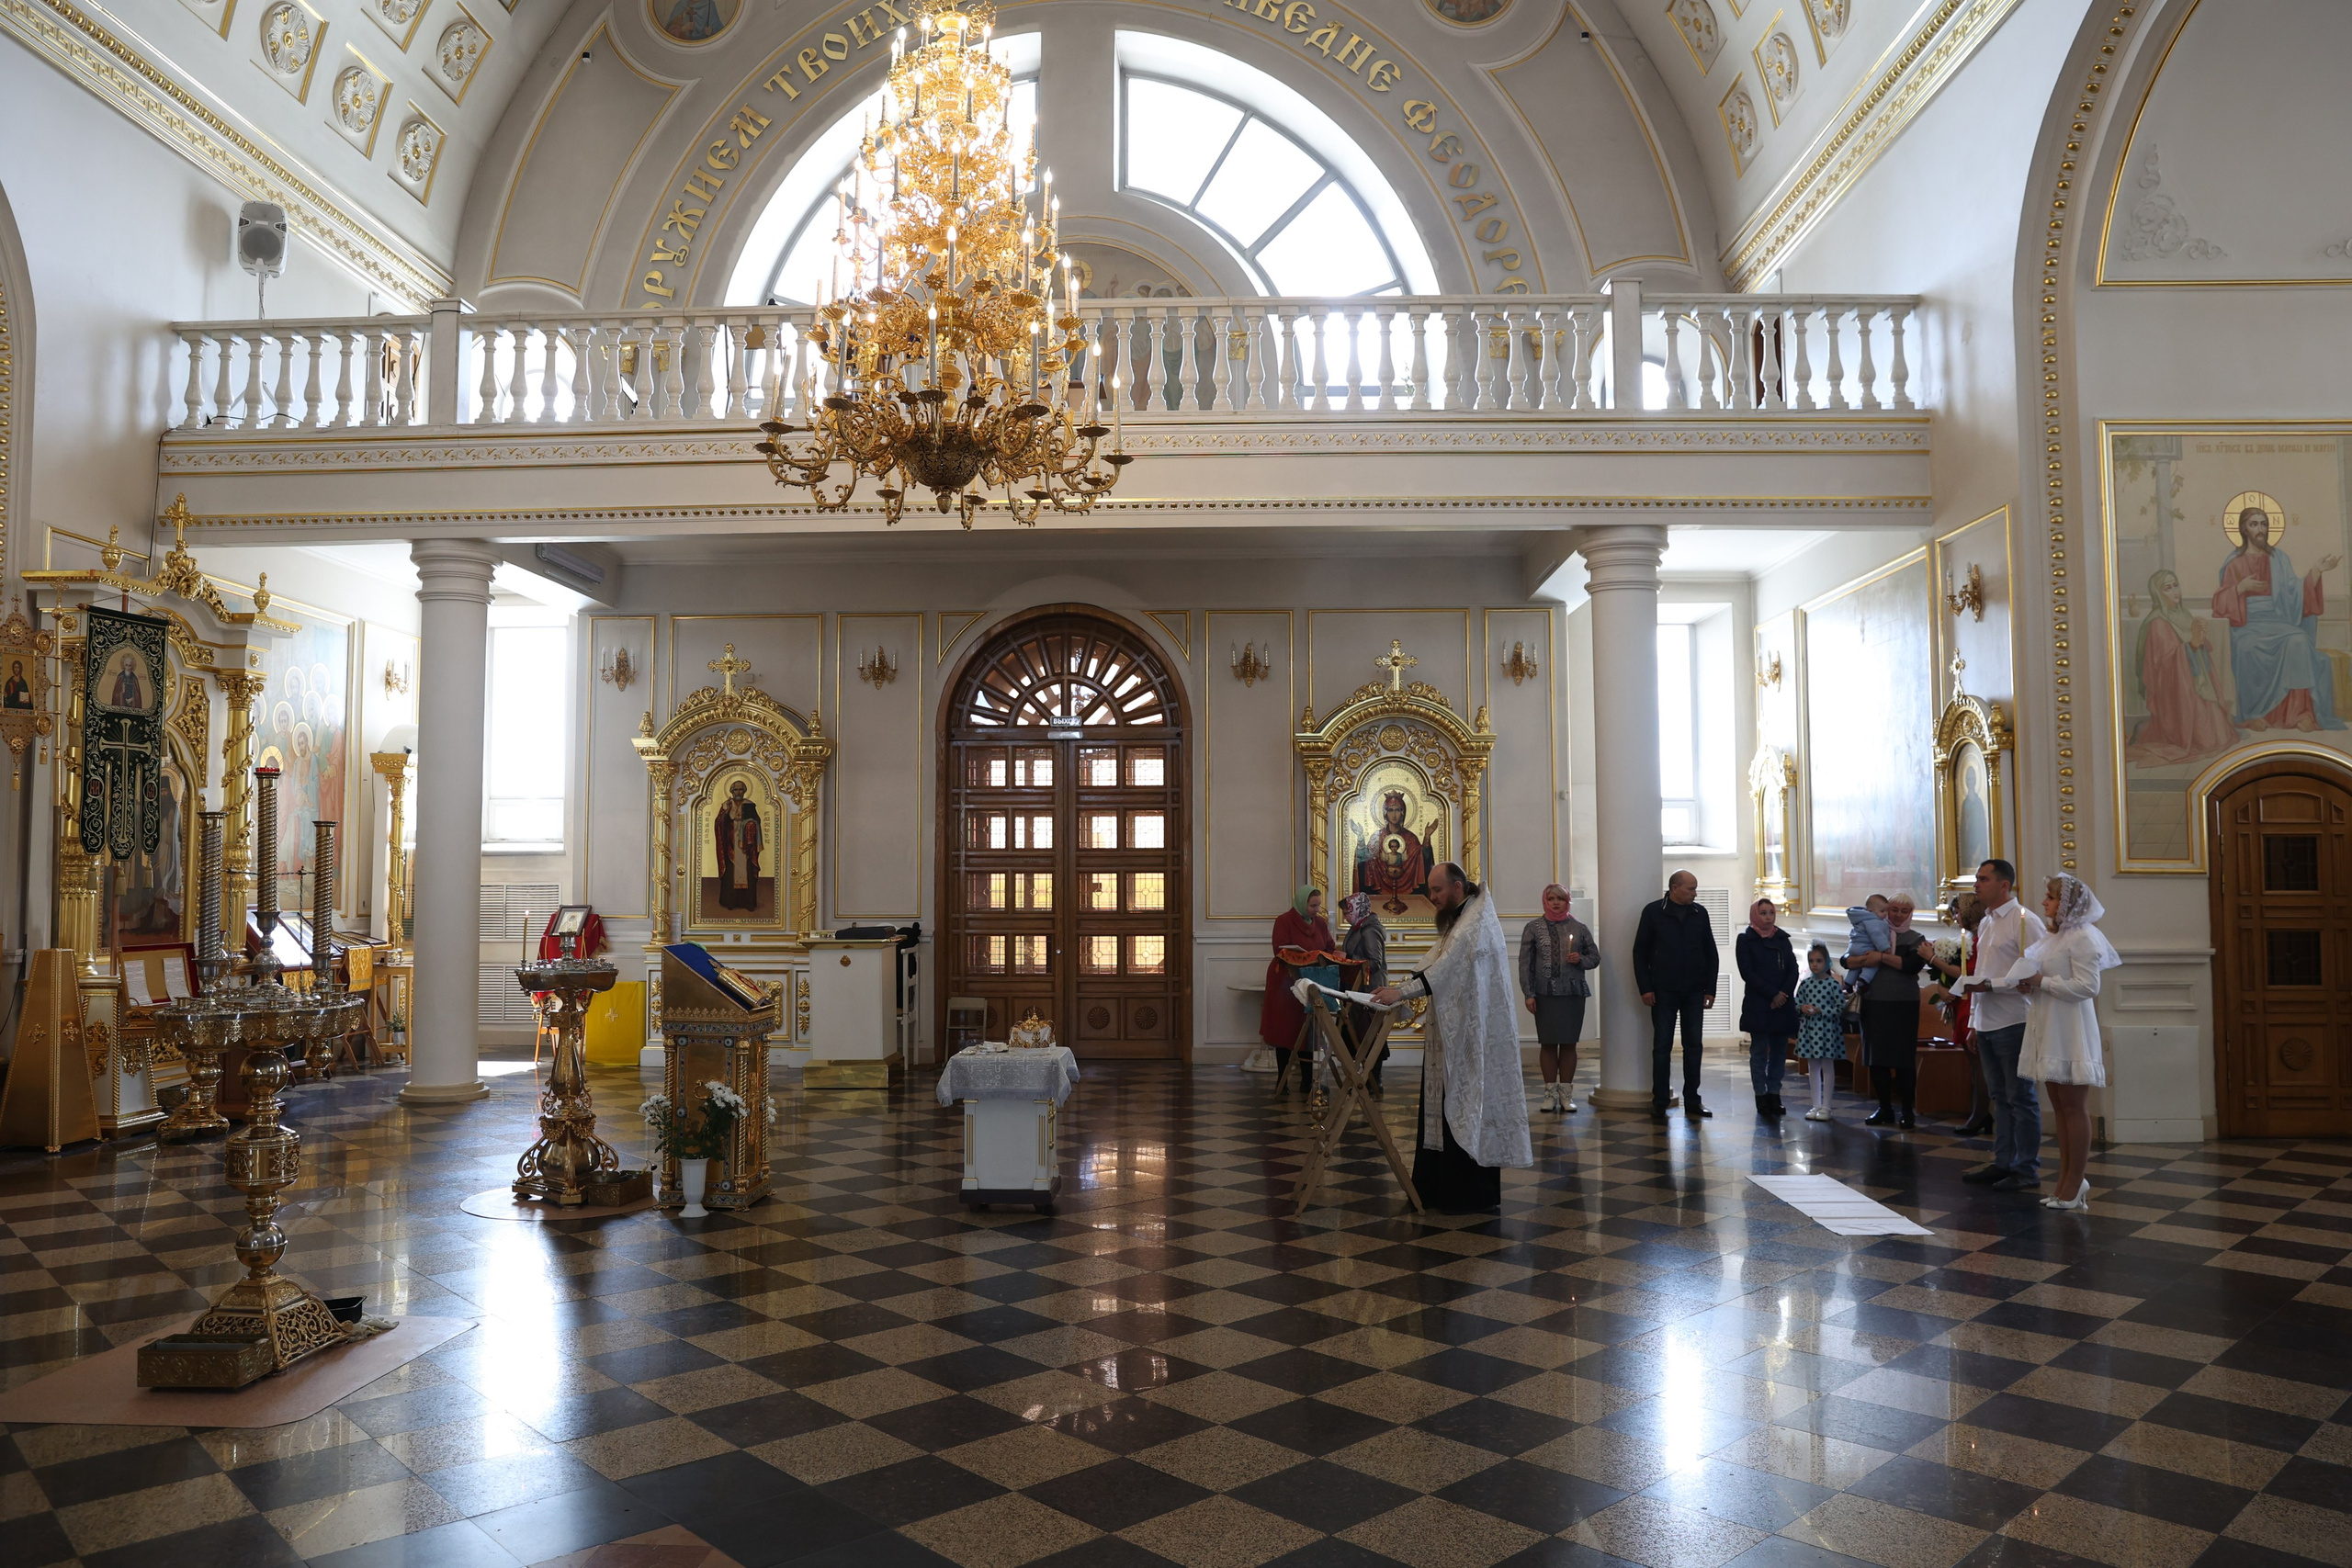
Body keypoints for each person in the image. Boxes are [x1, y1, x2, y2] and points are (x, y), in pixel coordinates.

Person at [1369, 863, 1531, 1211]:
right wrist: (1401, 986)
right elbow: (1437, 961)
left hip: (1471, 1037)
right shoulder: (1463, 917)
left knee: (1465, 1102)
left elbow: (1448, 968)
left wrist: (1402, 993)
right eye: (1431, 890)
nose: (1433, 897)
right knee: (1443, 1104)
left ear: (1458, 887)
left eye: (1437, 890)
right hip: (1451, 1033)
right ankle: (1437, 1188)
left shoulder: (1474, 922)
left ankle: (1466, 1194)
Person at [1982, 874, 2119, 1212]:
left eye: (2051, 897)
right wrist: (2031, 984)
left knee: (2074, 1107)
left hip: (2070, 1028)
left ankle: (2075, 1182)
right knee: (2059, 1106)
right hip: (2049, 1022)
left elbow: (2088, 987)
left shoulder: (2083, 937)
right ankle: (2065, 1182)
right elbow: (2045, 979)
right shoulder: (2056, 938)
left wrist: (2043, 981)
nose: (2045, 902)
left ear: (2069, 904)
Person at [1955, 858, 2048, 1191]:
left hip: (2015, 1020)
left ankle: (2027, 1169)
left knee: (2020, 1097)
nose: (1976, 885)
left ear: (2004, 884)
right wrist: (1974, 1023)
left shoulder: (2026, 922)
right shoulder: (1986, 922)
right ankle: (2004, 1161)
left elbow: (2036, 972)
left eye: (1983, 879)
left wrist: (1994, 986)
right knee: (1999, 1096)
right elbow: (1980, 973)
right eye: (1977, 879)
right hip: (1989, 1021)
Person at [2211, 504, 2343, 732]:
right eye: (2254, 524)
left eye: (2263, 524)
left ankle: (2299, 713)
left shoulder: (2279, 559)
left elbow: (2295, 591)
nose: (2260, 529)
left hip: (2279, 619)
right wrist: (2240, 588)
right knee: (2247, 647)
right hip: (2248, 623)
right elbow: (2220, 603)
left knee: (2298, 641)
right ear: (2244, 530)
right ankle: (2255, 714)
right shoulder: (2234, 562)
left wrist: (2317, 571)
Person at [2128, 569, 2238, 764]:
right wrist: (2193, 644)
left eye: (2175, 585)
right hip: (2174, 689)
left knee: (2216, 733)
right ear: (2158, 593)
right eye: (2167, 588)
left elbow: (2195, 647)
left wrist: (2200, 640)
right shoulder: (2157, 623)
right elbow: (2164, 664)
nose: (2174, 591)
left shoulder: (2183, 614)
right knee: (2205, 739)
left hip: (2194, 681)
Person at [1633, 871, 1718, 1120]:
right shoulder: (1653, 912)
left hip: (1694, 990)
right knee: (1662, 1046)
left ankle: (1693, 1099)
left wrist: (1710, 989)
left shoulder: (1699, 913)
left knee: (1694, 1046)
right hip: (1663, 991)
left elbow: (1710, 952)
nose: (1695, 893)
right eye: (1691, 888)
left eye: (1695, 889)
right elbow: (1640, 953)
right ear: (1674, 888)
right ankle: (1660, 1100)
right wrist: (1645, 988)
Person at [1844, 892, 1927, 1128]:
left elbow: (1911, 966)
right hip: (1874, 1001)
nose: (1899, 915)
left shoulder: (1915, 938)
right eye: (1895, 910)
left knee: (1903, 1060)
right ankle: (1884, 1108)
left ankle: (1907, 1112)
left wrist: (1879, 957)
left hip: (1904, 1004)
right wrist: (1864, 960)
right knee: (1876, 1058)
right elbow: (1846, 960)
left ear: (1911, 914)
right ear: (1886, 911)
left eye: (1905, 911)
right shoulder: (1870, 930)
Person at [1519, 883, 1599, 1114]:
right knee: (1548, 1043)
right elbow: (1525, 965)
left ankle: (1566, 1096)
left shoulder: (1579, 928)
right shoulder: (1533, 928)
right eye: (1551, 898)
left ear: (1567, 902)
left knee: (1569, 1043)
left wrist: (1580, 960)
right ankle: (1549, 1095)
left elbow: (1595, 956)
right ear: (1545, 900)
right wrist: (1529, 993)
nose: (1556, 902)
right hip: (1544, 995)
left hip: (1572, 994)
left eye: (1560, 899)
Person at [1926, 894, 1995, 1137]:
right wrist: (1942, 988)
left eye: (1957, 912)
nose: (1954, 917)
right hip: (1963, 1003)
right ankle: (1978, 1113)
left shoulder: (1979, 940)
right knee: (1974, 1065)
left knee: (1979, 1065)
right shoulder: (1971, 938)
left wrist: (1932, 959)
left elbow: (1968, 973)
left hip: (1971, 1004)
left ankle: (1981, 1114)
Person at [1260, 886, 1340, 1088]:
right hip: (1286, 983)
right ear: (1302, 903)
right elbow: (1279, 949)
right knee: (1285, 1030)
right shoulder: (1284, 920)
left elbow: (1329, 948)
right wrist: (1306, 956)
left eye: (1318, 905)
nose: (1316, 909)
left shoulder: (1320, 923)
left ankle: (1307, 1081)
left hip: (1311, 982)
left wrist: (1335, 955)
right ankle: (1282, 1080)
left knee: (1309, 1031)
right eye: (1313, 905)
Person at [1736, 898, 1799, 1119]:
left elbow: (1793, 969)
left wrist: (1783, 994)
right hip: (1759, 1003)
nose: (1768, 917)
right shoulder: (1746, 940)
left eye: (1771, 912)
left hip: (1782, 1003)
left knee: (1779, 1053)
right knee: (1759, 1052)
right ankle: (1761, 1096)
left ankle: (1775, 1094)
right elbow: (1748, 972)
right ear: (1755, 915)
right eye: (1763, 913)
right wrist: (1772, 994)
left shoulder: (1782, 938)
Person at [1340, 891, 1390, 1093]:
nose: (1345, 916)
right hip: (1355, 989)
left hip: (1369, 991)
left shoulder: (1369, 930)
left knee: (1370, 1035)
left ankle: (1373, 1078)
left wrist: (1348, 958)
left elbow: (1374, 963)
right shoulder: (1357, 927)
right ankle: (1362, 1076)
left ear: (1357, 909)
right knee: (1356, 1036)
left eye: (1346, 912)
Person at [1793, 943, 1846, 1121]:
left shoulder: (1832, 984)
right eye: (1811, 961)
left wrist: (1821, 1010)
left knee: (1827, 1066)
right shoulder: (1806, 984)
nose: (1815, 964)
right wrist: (1802, 1007)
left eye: (1819, 961)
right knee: (1813, 1067)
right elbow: (1797, 1003)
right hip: (1810, 1031)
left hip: (1827, 1031)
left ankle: (1826, 1106)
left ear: (1827, 961)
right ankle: (1815, 1105)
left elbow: (1840, 1008)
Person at [714, 778, 763, 910]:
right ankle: (731, 902)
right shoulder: (726, 805)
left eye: (741, 789)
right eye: (736, 789)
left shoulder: (749, 804)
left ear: (745, 791)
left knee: (747, 873)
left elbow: (756, 821)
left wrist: (751, 825)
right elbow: (718, 823)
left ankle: (748, 903)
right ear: (731, 791)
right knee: (731, 873)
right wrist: (726, 814)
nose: (738, 792)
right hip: (731, 844)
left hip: (746, 846)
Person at [1844, 895, 1894, 989]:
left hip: (1854, 948)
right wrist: (1884, 948)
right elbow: (1876, 934)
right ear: (1871, 911)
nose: (1885, 914)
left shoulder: (1861, 919)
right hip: (1865, 948)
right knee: (1873, 963)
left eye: (1887, 911)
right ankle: (1864, 980)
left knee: (1855, 968)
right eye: (1882, 911)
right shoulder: (1874, 921)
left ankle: (1848, 982)